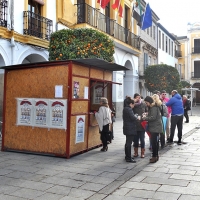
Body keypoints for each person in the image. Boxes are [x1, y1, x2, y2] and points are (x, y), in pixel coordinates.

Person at [142, 96, 163, 163]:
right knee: (155, 143)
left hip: (155, 127)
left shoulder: (153, 108)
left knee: (154, 143)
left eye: (146, 102)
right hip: (155, 127)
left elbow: (153, 117)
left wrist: (145, 118)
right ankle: (156, 156)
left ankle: (154, 156)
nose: (146, 104)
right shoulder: (153, 107)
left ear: (150, 102)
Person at [123, 97, 138, 163]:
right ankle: (128, 158)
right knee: (129, 143)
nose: (134, 106)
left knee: (127, 142)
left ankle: (127, 156)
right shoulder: (128, 109)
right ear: (131, 104)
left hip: (127, 127)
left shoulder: (125, 109)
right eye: (133, 104)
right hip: (130, 128)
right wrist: (137, 116)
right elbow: (132, 118)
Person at [133, 93, 147, 158]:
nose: (138, 99)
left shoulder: (143, 104)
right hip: (135, 124)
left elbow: (147, 111)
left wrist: (145, 114)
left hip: (142, 124)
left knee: (142, 139)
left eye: (139, 97)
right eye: (137, 97)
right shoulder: (132, 105)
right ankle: (135, 152)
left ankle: (142, 153)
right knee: (135, 140)